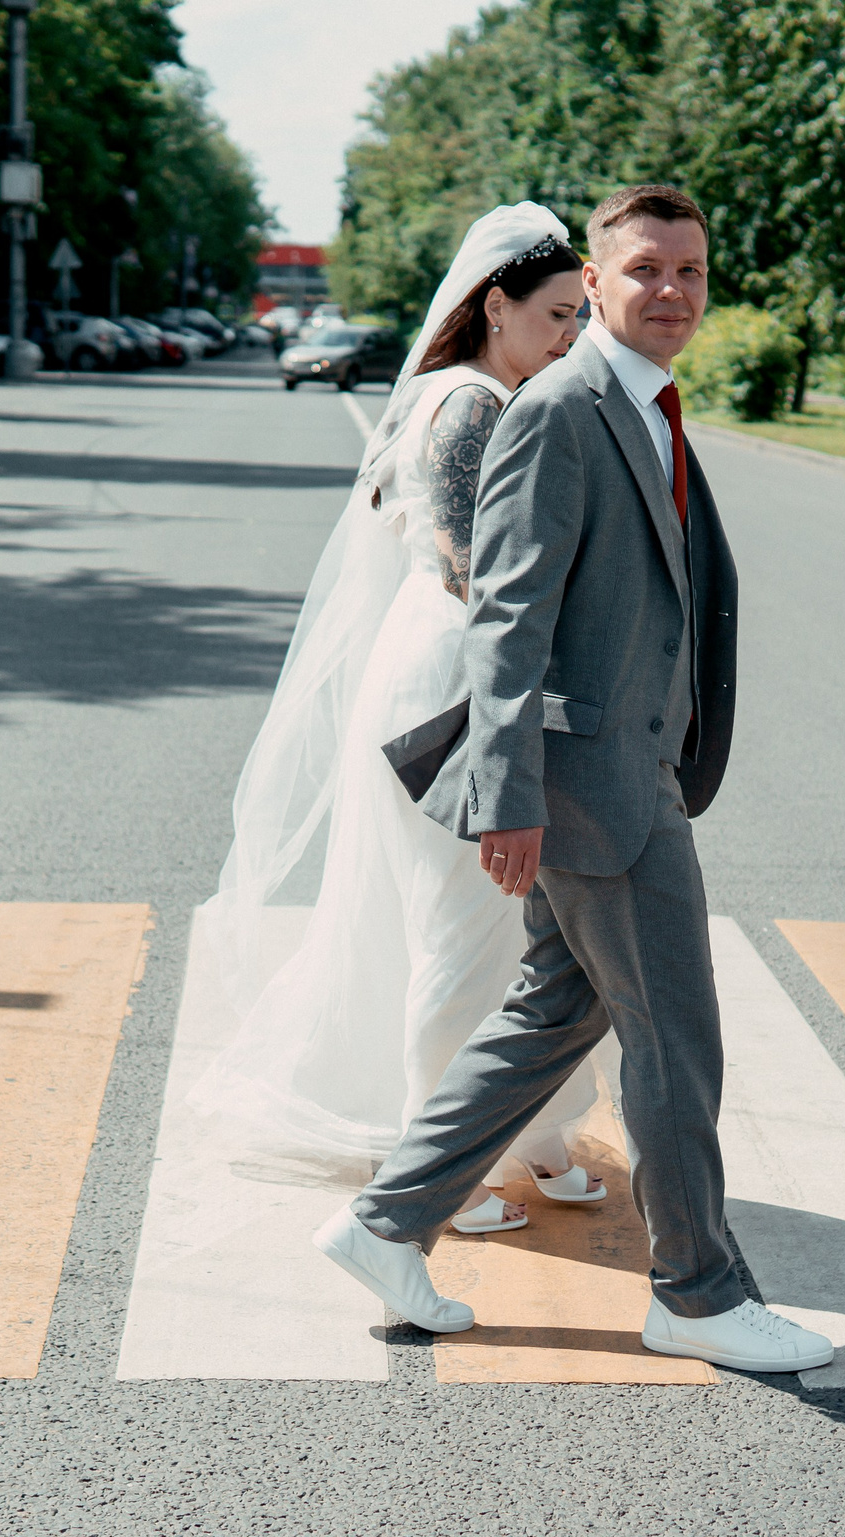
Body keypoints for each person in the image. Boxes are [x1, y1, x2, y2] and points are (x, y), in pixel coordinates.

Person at [312, 184, 836, 1375]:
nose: (672, 292)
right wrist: (508, 794)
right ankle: (695, 1292)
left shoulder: (642, 402)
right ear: (591, 285)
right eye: (645, 270)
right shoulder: (559, 408)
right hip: (595, 777)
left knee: (557, 1013)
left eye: (692, 272)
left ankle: (383, 1222)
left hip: (626, 759)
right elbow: (505, 613)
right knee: (676, 1039)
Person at [194, 203, 612, 1235]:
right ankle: (444, 1168)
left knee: (529, 929)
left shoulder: (455, 393)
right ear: (494, 304)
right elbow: (478, 573)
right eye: (557, 314)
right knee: (472, 929)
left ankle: (535, 1136)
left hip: (437, 671)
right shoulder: (468, 408)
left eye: (579, 318)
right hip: (456, 686)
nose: (571, 336)